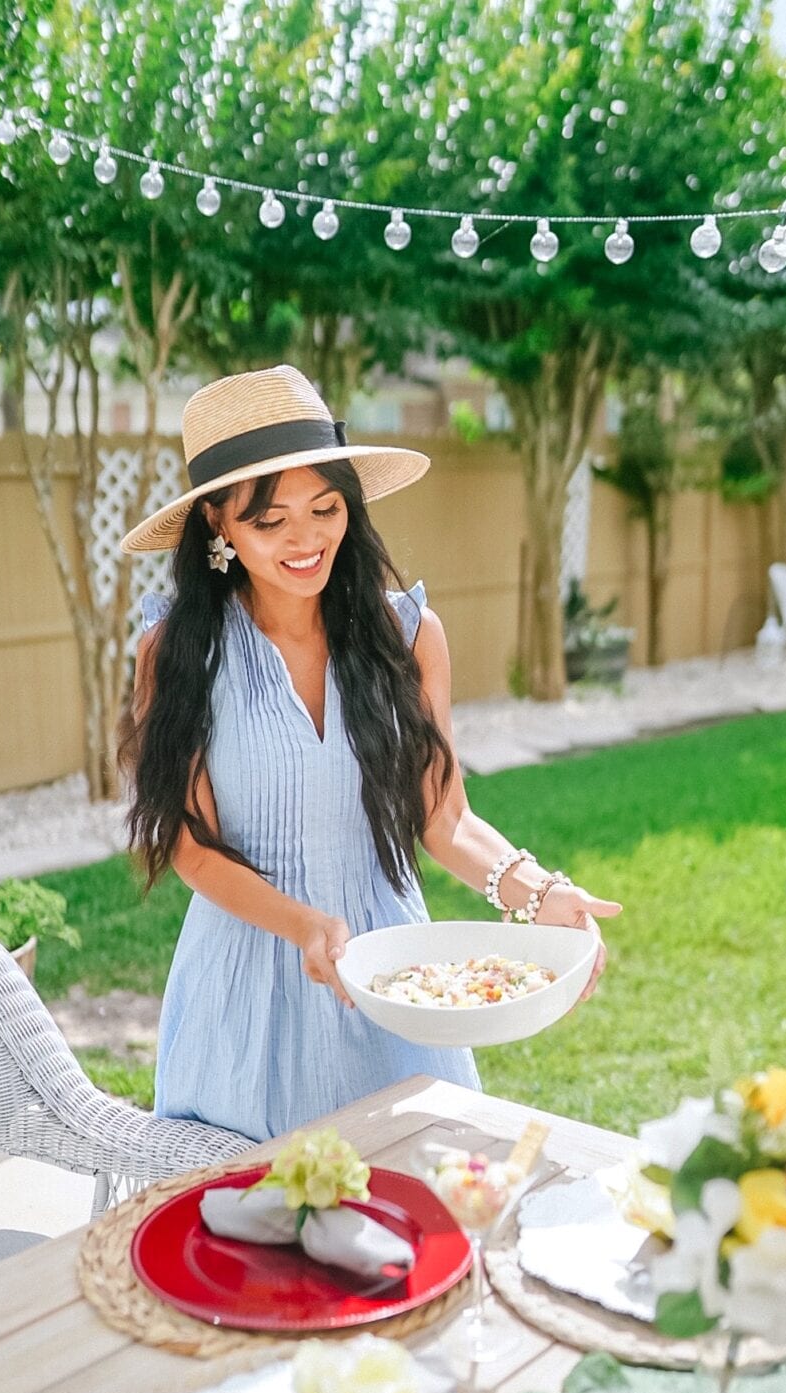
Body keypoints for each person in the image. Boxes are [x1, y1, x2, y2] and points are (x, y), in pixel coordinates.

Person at [121, 365, 621, 1142]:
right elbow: (190, 849)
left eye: (325, 509)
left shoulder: (408, 635)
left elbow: (444, 817)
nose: (307, 539)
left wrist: (539, 892)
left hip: (395, 975)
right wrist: (304, 926)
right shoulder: (178, 652)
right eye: (271, 520)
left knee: (422, 1216)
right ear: (218, 522)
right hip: (249, 983)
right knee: (259, 1234)